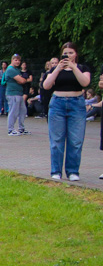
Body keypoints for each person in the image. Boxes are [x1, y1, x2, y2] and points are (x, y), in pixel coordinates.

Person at [43, 42, 92, 181]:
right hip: (58, 103)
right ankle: (56, 171)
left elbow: (85, 83)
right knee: (57, 140)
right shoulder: (55, 69)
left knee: (75, 140)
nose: (68, 55)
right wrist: (58, 69)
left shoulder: (83, 68)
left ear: (76, 54)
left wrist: (73, 67)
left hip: (76, 104)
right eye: (66, 53)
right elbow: (46, 85)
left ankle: (72, 171)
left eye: (71, 52)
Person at [4, 54, 31, 136]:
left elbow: (21, 80)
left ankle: (21, 128)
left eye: (19, 60)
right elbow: (22, 81)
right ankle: (10, 129)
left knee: (23, 111)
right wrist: (25, 80)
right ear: (12, 60)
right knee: (13, 111)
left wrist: (22, 80)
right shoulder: (10, 70)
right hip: (12, 93)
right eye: (16, 60)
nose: (18, 62)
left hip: (19, 93)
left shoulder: (17, 70)